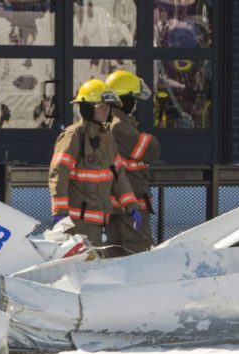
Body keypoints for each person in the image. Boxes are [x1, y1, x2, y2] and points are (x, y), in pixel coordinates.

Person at [49, 79, 141, 246]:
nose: (106, 110)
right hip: (76, 225)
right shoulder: (74, 135)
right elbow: (58, 173)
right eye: (100, 105)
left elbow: (118, 176)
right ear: (86, 108)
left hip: (98, 223)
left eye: (108, 105)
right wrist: (60, 211)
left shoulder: (106, 138)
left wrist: (131, 205)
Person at [104, 70, 161, 256]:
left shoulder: (106, 121)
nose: (135, 104)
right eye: (133, 98)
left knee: (115, 252)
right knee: (138, 252)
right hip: (131, 203)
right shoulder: (119, 125)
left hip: (117, 204)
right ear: (123, 99)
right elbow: (151, 151)